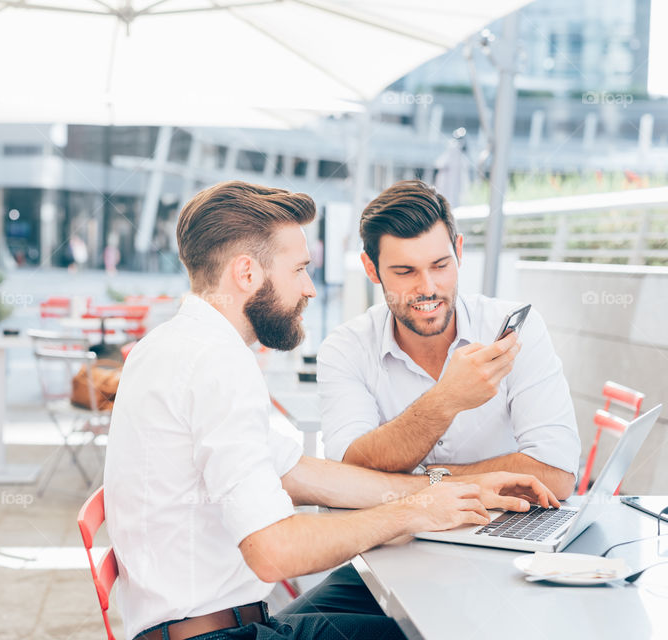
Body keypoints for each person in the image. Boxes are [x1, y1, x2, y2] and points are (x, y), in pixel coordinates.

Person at [104, 181, 558, 640]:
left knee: (404, 615)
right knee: (449, 628)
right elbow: (274, 552)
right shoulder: (215, 362)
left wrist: (458, 488)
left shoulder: (174, 345)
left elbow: (303, 475)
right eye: (299, 269)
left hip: (215, 624)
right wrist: (415, 510)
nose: (309, 288)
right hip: (216, 635)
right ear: (246, 273)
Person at [318, 180, 580, 499]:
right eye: (405, 271)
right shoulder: (346, 349)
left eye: (440, 265)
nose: (428, 287)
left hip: (504, 534)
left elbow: (557, 474)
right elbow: (347, 473)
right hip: (398, 538)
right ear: (371, 269)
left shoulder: (517, 330)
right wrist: (448, 398)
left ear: (458, 251)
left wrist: (427, 480)